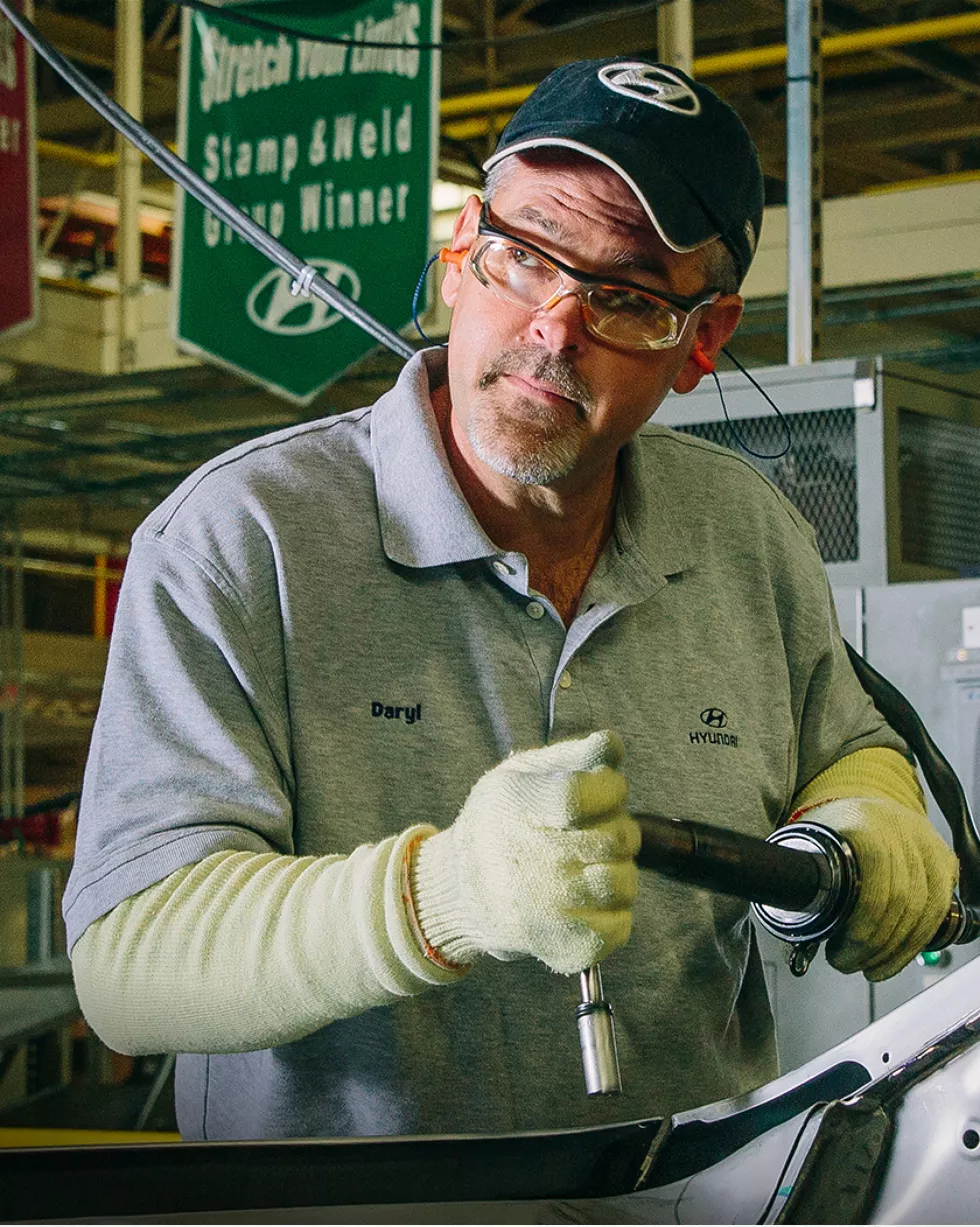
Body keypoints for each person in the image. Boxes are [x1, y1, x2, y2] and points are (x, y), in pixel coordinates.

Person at [65, 58, 958, 1142]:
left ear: (702, 341)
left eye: (624, 297)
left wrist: (867, 811)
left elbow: (843, 740)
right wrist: (444, 897)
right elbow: (128, 961)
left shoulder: (743, 535)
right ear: (456, 260)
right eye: (524, 257)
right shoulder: (242, 540)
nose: (552, 325)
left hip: (689, 1203)